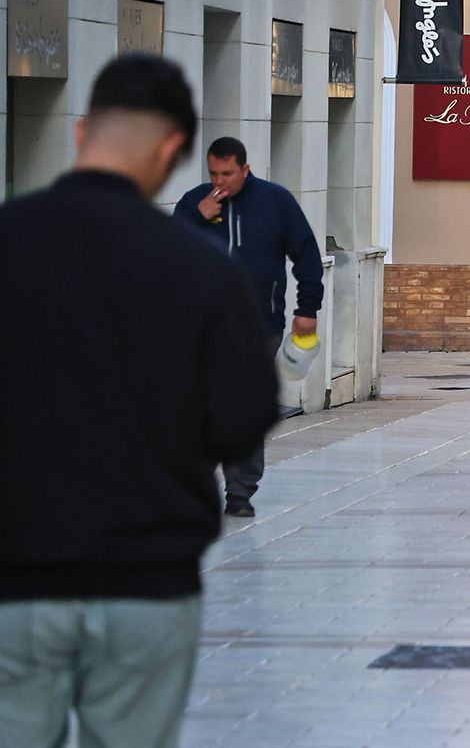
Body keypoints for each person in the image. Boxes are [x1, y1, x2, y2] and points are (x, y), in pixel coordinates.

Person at [0, 55, 279, 748]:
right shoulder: (203, 271)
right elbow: (244, 416)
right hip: (145, 581)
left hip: (14, 575)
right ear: (170, 149)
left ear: (81, 130)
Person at [175, 135, 323, 518]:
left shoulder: (275, 202)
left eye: (228, 173)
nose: (220, 180)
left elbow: (306, 253)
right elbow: (167, 253)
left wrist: (308, 308)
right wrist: (197, 216)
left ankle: (240, 491)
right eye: (213, 173)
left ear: (245, 169)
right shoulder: (195, 203)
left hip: (259, 323)